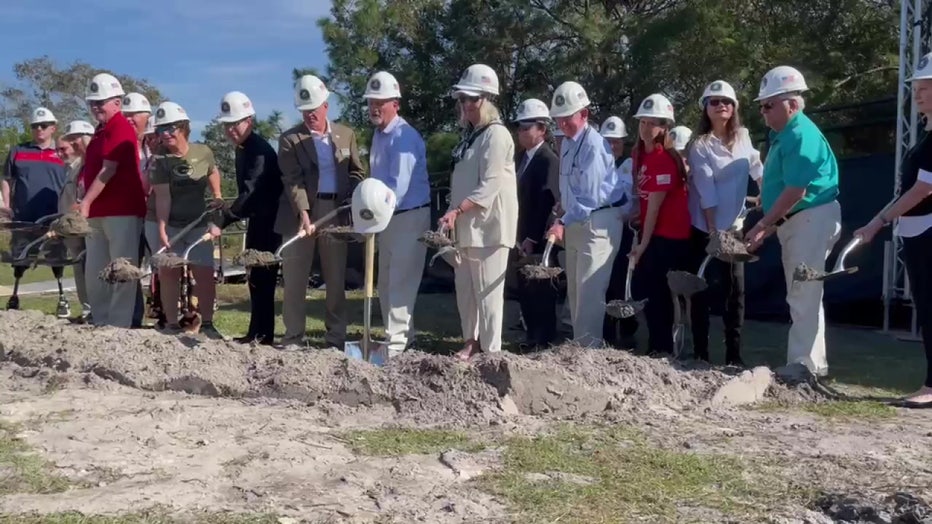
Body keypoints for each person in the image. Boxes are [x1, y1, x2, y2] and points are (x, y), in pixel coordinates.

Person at [744, 66, 841, 377]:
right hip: (800, 220)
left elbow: (797, 191)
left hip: (809, 219)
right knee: (805, 293)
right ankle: (811, 364)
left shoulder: (800, 134)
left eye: (769, 105)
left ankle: (802, 366)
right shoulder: (786, 135)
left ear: (793, 104)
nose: (763, 112)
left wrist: (762, 225)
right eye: (762, 106)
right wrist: (768, 219)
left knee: (803, 292)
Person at [852, 51, 932, 407]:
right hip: (916, 232)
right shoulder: (926, 138)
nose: (917, 93)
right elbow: (908, 193)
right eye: (916, 87)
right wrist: (875, 223)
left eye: (924, 87)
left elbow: (923, 190)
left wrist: (880, 221)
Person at [275, 74, 365, 349]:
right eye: (304, 111)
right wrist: (303, 212)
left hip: (335, 211)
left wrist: (353, 200)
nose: (309, 115)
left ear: (326, 105)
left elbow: (357, 172)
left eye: (313, 109)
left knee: (336, 278)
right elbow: (292, 180)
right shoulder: (290, 139)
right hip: (297, 213)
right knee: (295, 279)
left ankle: (335, 338)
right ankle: (293, 337)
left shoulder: (346, 135)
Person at [438, 63, 518, 361]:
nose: (466, 105)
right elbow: (462, 182)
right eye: (462, 100)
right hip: (466, 229)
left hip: (490, 229)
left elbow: (490, 185)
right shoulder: (470, 136)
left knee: (488, 295)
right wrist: (451, 212)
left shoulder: (497, 136)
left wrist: (458, 209)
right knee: (466, 292)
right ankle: (470, 342)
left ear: (487, 99)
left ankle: (491, 352)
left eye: (471, 99)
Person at [686, 80, 763, 366]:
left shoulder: (743, 136)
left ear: (735, 108)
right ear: (705, 108)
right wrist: (713, 233)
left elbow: (756, 166)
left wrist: (766, 189)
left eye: (727, 102)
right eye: (715, 102)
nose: (722, 106)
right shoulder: (699, 145)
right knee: (701, 290)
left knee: (736, 292)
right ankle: (700, 354)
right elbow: (706, 192)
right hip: (705, 229)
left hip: (734, 229)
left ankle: (734, 354)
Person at [546, 81, 622, 348]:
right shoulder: (566, 144)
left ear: (585, 114)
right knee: (576, 295)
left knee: (590, 295)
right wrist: (562, 211)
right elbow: (572, 189)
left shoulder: (594, 145)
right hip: (576, 222)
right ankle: (581, 353)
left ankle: (589, 357)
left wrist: (561, 222)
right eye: (559, 119)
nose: (563, 124)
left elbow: (589, 198)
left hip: (598, 224)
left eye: (568, 118)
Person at [362, 71, 431, 357]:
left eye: (382, 102)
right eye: (371, 103)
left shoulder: (403, 137)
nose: (375, 108)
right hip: (388, 218)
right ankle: (405, 337)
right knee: (386, 282)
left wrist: (369, 210)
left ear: (396, 104)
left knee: (400, 282)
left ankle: (396, 345)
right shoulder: (379, 136)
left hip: (407, 215)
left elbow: (396, 187)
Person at [150, 101, 224, 338]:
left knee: (203, 273)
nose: (166, 134)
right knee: (169, 272)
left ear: (183, 127)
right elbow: (163, 195)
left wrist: (218, 196)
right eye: (161, 130)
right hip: (173, 225)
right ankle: (172, 324)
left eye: (171, 128)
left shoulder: (202, 152)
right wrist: (162, 226)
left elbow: (213, 172)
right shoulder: (160, 159)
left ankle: (209, 324)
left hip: (199, 223)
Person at [79, 73, 147, 328]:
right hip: (98, 212)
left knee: (121, 270)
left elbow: (109, 169)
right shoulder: (100, 131)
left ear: (117, 103)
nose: (96, 106)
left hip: (122, 210)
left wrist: (85, 202)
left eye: (101, 102)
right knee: (95, 271)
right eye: (93, 103)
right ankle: (100, 319)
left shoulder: (120, 128)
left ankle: (119, 326)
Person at [215, 91, 284, 345]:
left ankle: (264, 335)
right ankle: (256, 332)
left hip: (271, 222)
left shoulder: (259, 151)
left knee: (263, 278)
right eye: (227, 125)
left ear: (249, 121)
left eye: (236, 124)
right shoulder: (243, 148)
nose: (231, 130)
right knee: (255, 278)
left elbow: (251, 192)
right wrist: (226, 206)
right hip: (258, 220)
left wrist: (223, 221)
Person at [629, 93, 692, 356]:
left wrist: (641, 246)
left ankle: (663, 347)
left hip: (669, 235)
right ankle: (657, 344)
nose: (645, 128)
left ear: (664, 127)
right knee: (647, 289)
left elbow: (654, 206)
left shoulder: (665, 159)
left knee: (659, 291)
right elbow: (640, 196)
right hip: (651, 231)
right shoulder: (639, 154)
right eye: (642, 122)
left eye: (652, 123)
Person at [1, 107, 68, 312]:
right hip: (23, 216)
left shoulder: (61, 153)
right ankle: (14, 296)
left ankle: (62, 298)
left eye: (43, 126)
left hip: (53, 216)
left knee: (57, 256)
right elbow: (6, 179)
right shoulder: (18, 151)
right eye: (34, 126)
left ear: (53, 128)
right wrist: (6, 206)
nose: (39, 129)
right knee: (19, 258)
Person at [512, 98, 559, 350]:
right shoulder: (521, 158)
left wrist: (532, 236)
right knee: (525, 290)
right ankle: (531, 335)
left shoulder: (548, 159)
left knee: (540, 290)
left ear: (542, 129)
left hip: (539, 238)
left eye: (527, 127)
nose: (521, 132)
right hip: (519, 234)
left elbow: (547, 202)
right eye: (520, 127)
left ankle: (543, 339)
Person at [599, 115, 638, 349]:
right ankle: (607, 330)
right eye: (608, 141)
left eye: (617, 141)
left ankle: (627, 329)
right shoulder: (597, 166)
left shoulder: (630, 165)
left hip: (625, 230)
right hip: (603, 229)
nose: (612, 146)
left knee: (623, 280)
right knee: (605, 280)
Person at [58, 120, 97, 321]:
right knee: (80, 267)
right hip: (73, 228)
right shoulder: (75, 167)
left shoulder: (91, 163)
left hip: (88, 225)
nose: (72, 145)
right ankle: (87, 308)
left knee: (91, 266)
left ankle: (94, 307)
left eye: (75, 140)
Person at [122, 91, 152, 328]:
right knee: (130, 266)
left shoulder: (157, 145)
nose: (130, 120)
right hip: (130, 214)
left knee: (164, 267)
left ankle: (168, 315)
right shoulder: (121, 146)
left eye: (135, 116)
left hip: (156, 215)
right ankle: (133, 317)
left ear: (147, 117)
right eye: (126, 116)